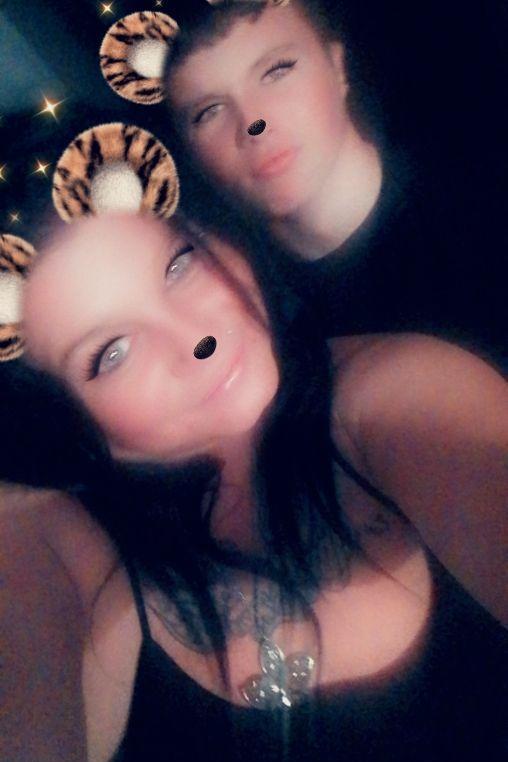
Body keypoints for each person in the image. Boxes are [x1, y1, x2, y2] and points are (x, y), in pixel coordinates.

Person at [1, 201, 505, 761]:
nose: (195, 339)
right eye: (111, 353)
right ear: (64, 419)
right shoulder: (56, 540)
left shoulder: (392, 394)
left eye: (179, 264)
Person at [159, 0, 507, 365]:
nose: (252, 124)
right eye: (209, 111)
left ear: (337, 66)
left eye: (277, 71)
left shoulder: (486, 198)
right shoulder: (248, 320)